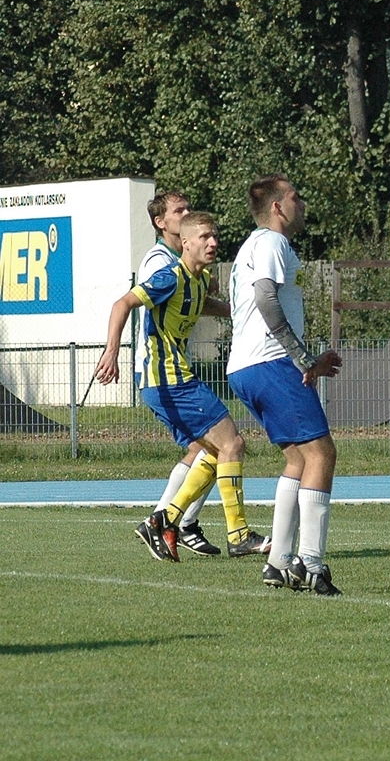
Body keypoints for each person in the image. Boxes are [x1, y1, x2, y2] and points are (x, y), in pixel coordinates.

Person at [96, 211, 262, 562]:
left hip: (174, 380)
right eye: (204, 237)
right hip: (168, 380)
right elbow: (122, 303)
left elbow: (202, 304)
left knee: (215, 452)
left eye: (214, 236)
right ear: (185, 243)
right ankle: (239, 535)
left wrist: (240, 311)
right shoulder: (169, 276)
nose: (213, 242)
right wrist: (112, 352)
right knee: (232, 443)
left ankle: (162, 521)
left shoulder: (199, 280)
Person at [228, 174, 343, 596]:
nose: (302, 203)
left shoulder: (254, 245)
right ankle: (310, 563)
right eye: (295, 196)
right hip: (270, 362)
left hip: (247, 367)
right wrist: (302, 358)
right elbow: (265, 297)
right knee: (322, 453)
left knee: (297, 459)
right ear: (277, 207)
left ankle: (278, 562)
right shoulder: (272, 242)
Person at [137, 192, 247, 558]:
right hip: (162, 371)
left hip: (171, 371)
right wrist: (111, 352)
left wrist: (229, 307)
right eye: (179, 211)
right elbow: (139, 302)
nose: (186, 213)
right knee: (224, 445)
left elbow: (193, 300)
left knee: (208, 448)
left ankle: (170, 520)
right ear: (162, 223)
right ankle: (181, 523)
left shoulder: (189, 269)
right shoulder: (161, 264)